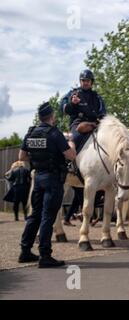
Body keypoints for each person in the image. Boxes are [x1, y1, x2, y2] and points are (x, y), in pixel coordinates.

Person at [18, 102, 76, 268]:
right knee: (48, 217)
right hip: (52, 180)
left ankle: (25, 251)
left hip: (38, 178)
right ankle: (45, 255)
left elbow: (22, 156)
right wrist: (71, 142)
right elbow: (71, 156)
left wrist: (39, 159)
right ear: (51, 116)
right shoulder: (54, 133)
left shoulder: (31, 133)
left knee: (35, 215)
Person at [60, 69, 107, 152]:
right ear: (80, 81)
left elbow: (103, 113)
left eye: (87, 81)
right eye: (83, 80)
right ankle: (68, 162)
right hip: (78, 124)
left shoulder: (97, 97)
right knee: (74, 138)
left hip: (95, 124)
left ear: (91, 82)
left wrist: (101, 122)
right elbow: (63, 108)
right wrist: (72, 103)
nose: (85, 82)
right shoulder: (73, 93)